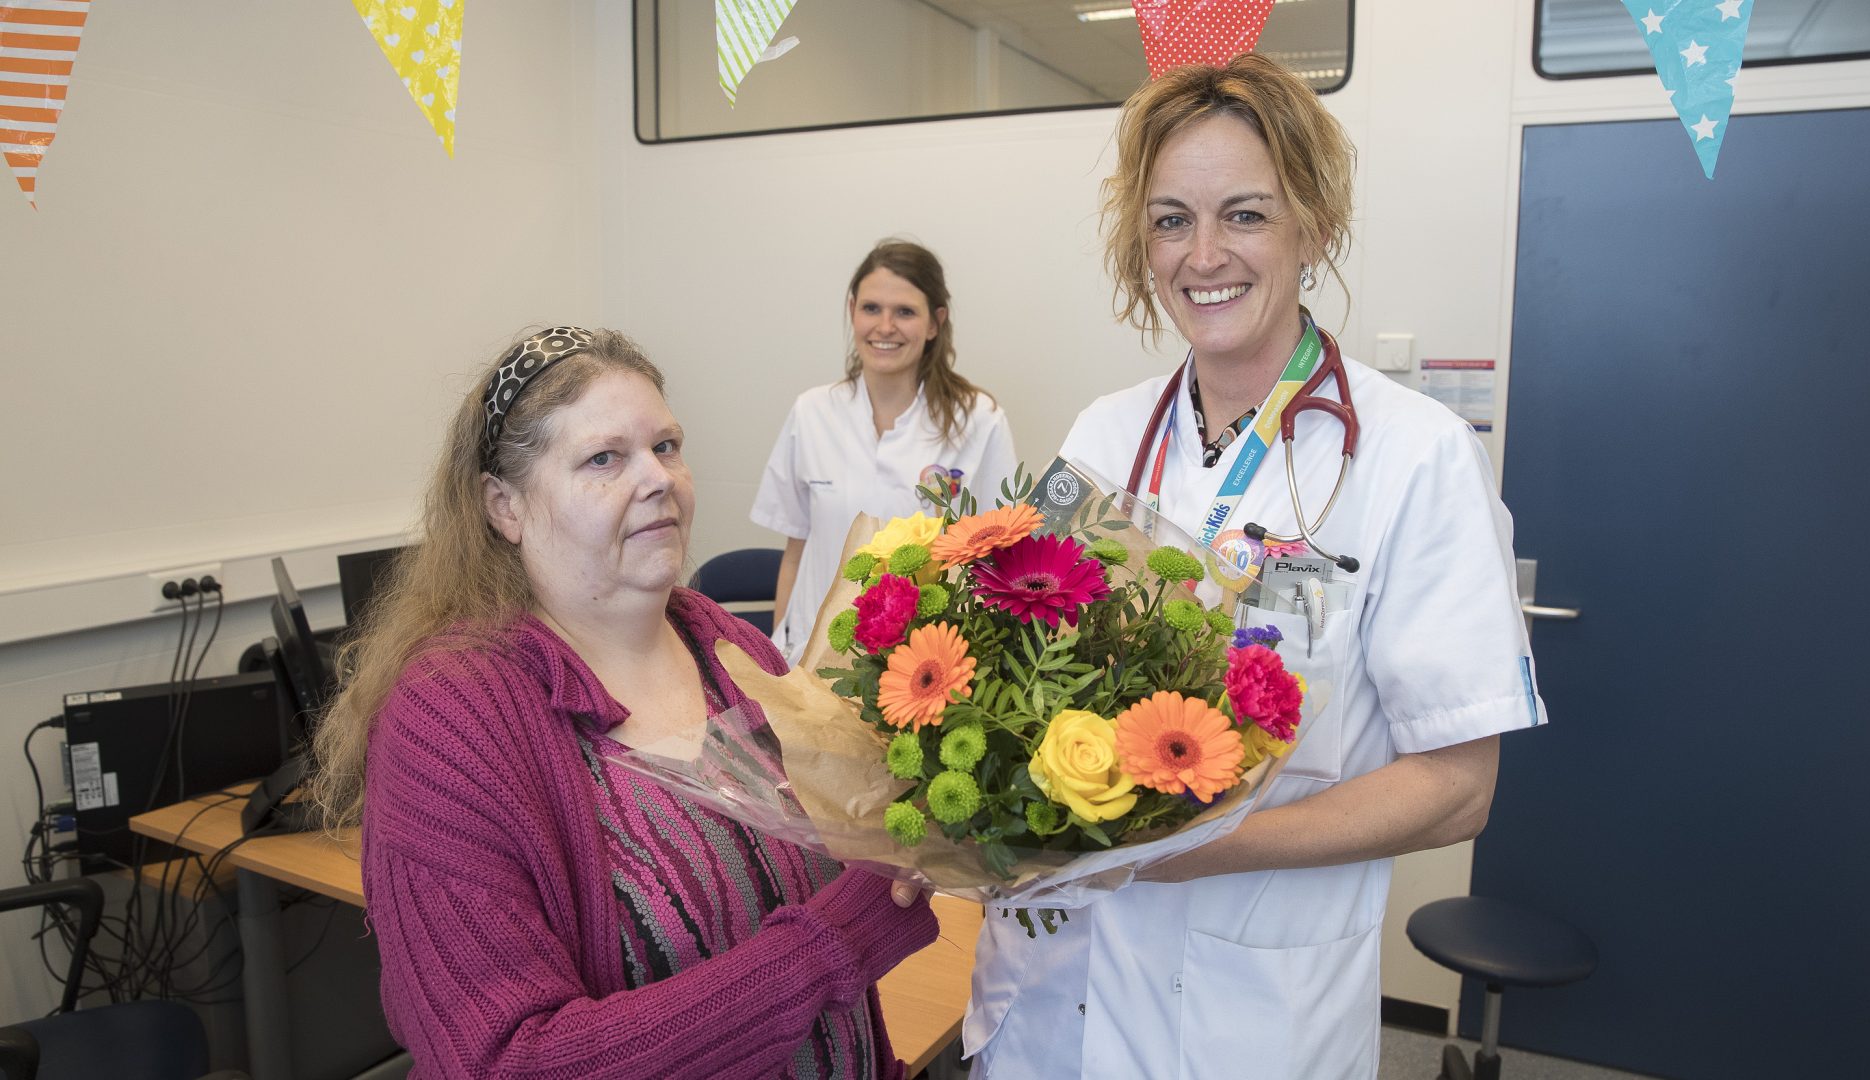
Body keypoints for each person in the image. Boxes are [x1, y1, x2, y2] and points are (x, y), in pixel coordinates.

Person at [961, 57, 1547, 1078]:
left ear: (1312, 227)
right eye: (1171, 220)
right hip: (1052, 1004)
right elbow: (1020, 667)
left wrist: (1194, 851)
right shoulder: (1104, 435)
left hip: (1250, 1015)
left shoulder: (1414, 456)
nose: (1204, 255)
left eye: (1245, 214)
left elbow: (1459, 788)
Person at [308, 327, 939, 1079]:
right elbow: (511, 1063)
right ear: (503, 506)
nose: (657, 479)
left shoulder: (732, 650)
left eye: (666, 447)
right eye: (604, 458)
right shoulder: (451, 721)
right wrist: (832, 945)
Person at [754, 240, 1017, 663]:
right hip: (810, 653)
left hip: (922, 664)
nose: (885, 326)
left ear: (935, 323)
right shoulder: (812, 413)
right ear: (852, 310)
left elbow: (997, 561)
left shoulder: (980, 421)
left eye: (905, 312)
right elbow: (796, 550)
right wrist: (779, 655)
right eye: (872, 308)